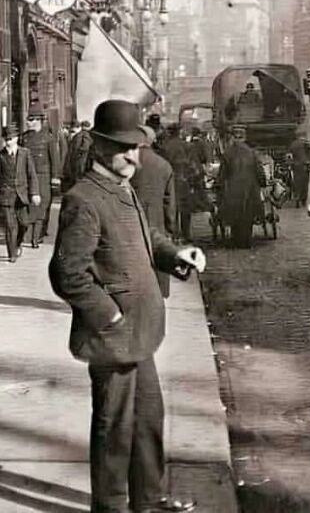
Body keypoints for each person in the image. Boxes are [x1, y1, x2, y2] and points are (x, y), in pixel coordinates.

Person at [49, 99, 205, 513]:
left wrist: (176, 255)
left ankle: (149, 501)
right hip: (113, 335)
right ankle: (112, 505)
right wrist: (109, 313)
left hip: (139, 333)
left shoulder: (122, 188)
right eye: (123, 148)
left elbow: (147, 236)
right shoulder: (84, 198)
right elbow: (68, 274)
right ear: (99, 147)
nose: (132, 156)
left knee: (148, 421)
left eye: (135, 147)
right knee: (114, 428)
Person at [131, 125, 177, 297]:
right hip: (157, 220)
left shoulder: (127, 163)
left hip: (131, 219)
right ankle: (159, 293)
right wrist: (171, 227)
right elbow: (169, 201)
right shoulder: (164, 165)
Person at [0, 124, 41, 263]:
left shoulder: (25, 153)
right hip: (6, 195)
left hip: (22, 194)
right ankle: (11, 254)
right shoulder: (0, 156)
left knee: (24, 223)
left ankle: (18, 243)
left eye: (11, 138)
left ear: (17, 138)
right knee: (10, 225)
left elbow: (31, 174)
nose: (8, 142)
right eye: (6, 139)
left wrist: (34, 193)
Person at [216, 124, 266, 248]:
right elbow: (259, 172)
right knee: (248, 217)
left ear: (233, 137)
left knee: (235, 218)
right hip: (250, 190)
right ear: (244, 137)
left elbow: (222, 174)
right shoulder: (252, 153)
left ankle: (236, 240)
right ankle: (246, 241)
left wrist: (218, 185)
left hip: (233, 191)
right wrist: (263, 182)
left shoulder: (228, 154)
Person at [20, 109, 61, 245]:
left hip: (43, 175)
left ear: (38, 121)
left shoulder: (48, 138)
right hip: (28, 175)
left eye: (31, 120)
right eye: (28, 119)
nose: (28, 122)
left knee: (43, 204)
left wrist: (55, 177)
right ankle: (31, 234)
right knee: (30, 204)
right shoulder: (24, 138)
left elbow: (54, 159)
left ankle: (40, 233)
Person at [161, 124, 196, 241]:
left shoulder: (165, 147)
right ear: (178, 132)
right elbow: (192, 164)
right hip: (184, 179)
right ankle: (186, 234)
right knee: (185, 208)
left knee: (172, 207)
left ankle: (174, 234)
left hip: (170, 179)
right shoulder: (186, 146)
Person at [61, 119, 94, 192]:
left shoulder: (84, 135)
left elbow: (85, 147)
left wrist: (79, 154)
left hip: (80, 161)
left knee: (77, 177)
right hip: (77, 160)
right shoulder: (81, 135)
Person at [287, 134, 310, 208]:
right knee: (305, 182)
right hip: (305, 165)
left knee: (297, 182)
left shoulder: (293, 144)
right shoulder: (305, 143)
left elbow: (289, 156)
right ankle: (303, 199)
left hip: (296, 166)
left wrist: (290, 163)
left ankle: (297, 197)